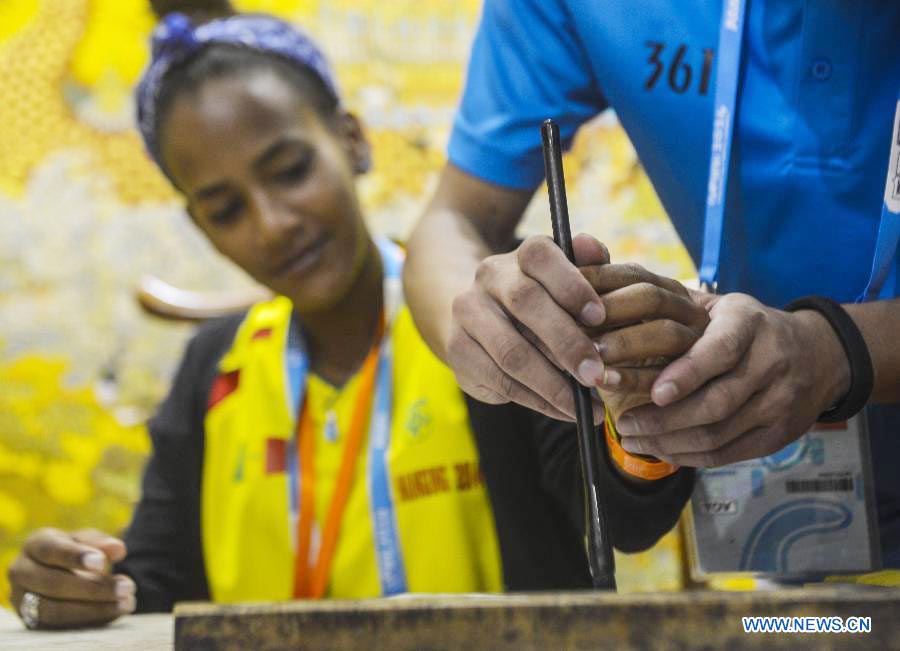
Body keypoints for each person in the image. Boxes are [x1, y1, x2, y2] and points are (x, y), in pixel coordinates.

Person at [7, 5, 695, 630]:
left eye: (290, 168)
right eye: (226, 210)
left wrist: (636, 415)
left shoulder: (485, 313)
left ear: (353, 142)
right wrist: (83, 586)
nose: (273, 224)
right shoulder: (215, 369)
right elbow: (157, 581)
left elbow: (625, 517)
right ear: (201, 227)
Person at [404, 0, 900, 570]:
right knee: (812, 631)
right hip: (785, 546)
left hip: (787, 462)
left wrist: (838, 350)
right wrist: (479, 326)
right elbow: (452, 222)